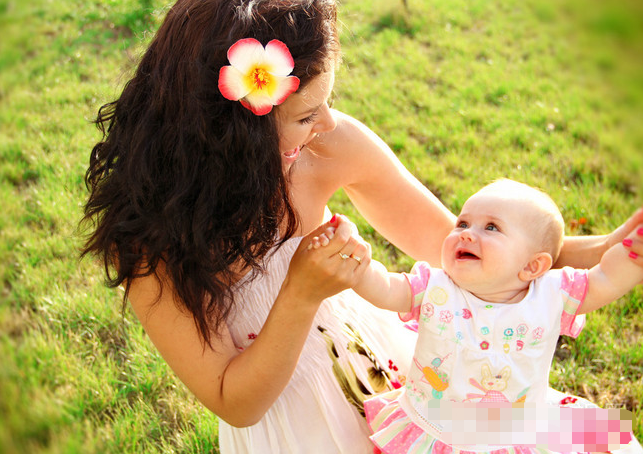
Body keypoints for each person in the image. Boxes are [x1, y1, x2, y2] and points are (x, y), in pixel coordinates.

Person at [79, 0, 643, 452]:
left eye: (327, 104)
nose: (325, 123)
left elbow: (472, 261)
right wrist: (299, 293)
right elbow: (235, 400)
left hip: (385, 375)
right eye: (304, 115)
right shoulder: (148, 244)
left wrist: (616, 247)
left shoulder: (328, 145)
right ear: (230, 132)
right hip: (290, 420)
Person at [309, 179, 642, 453]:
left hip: (520, 428)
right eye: (463, 223)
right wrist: (357, 265)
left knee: (613, 439)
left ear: (531, 266)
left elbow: (605, 279)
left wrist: (632, 257)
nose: (466, 233)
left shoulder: (553, 294)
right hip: (438, 424)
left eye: (491, 227)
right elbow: (386, 289)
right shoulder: (435, 288)